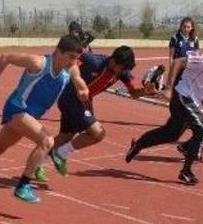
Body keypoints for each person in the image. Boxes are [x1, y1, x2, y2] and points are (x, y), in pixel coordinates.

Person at [0, 35, 88, 203]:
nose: (73, 61)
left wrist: (83, 92)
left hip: (31, 115)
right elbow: (5, 57)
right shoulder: (38, 63)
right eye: (70, 56)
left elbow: (81, 84)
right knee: (47, 141)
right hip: (17, 108)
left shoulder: (71, 69)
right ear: (58, 51)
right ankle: (23, 185)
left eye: (76, 58)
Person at [125, 34, 203, 185]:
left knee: (170, 133)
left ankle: (137, 145)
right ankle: (186, 171)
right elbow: (178, 62)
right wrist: (169, 88)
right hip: (182, 95)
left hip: (192, 101)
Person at [45, 46, 156, 178]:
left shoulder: (123, 72)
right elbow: (71, 55)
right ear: (113, 61)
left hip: (85, 102)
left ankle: (38, 162)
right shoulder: (93, 61)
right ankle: (60, 154)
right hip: (70, 98)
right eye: (122, 68)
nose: (123, 72)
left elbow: (134, 93)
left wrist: (145, 91)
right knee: (97, 133)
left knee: (66, 136)